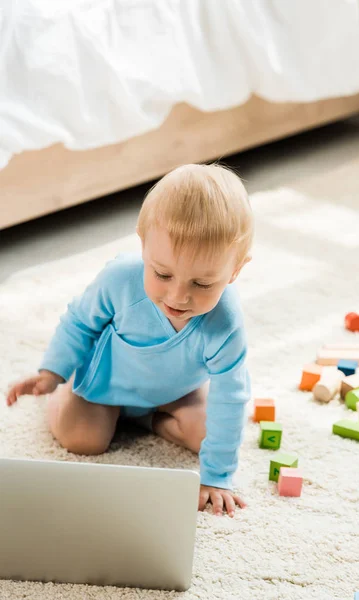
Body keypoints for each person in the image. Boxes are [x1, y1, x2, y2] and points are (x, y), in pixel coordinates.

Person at [6, 163, 254, 517]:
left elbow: (231, 394)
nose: (178, 296)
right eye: (162, 273)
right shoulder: (119, 279)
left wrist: (217, 477)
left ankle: (142, 420)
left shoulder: (226, 320)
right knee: (82, 440)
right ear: (143, 244)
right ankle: (71, 394)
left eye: (202, 284)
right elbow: (80, 321)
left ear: (236, 270)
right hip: (107, 383)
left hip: (175, 392)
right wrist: (53, 373)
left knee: (211, 437)